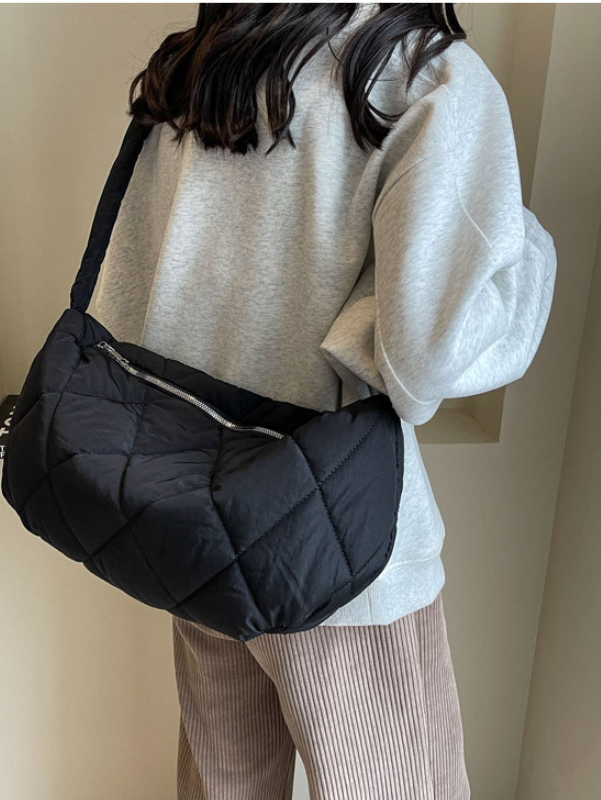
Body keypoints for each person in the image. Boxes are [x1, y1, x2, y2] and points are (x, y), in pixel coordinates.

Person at [94, 3, 558, 799]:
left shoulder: (207, 61)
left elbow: (129, 299)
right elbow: (424, 360)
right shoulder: (423, 79)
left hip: (196, 521)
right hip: (340, 548)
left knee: (224, 784)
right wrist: (531, 260)